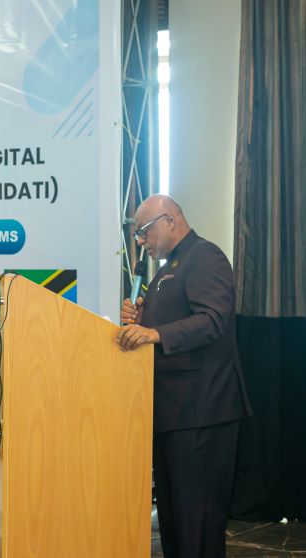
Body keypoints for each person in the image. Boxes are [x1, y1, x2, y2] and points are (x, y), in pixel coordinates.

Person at [116, 194, 251, 558]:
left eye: (143, 232)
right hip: (174, 413)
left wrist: (154, 333)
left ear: (170, 219)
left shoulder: (205, 256)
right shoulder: (167, 268)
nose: (141, 242)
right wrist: (142, 320)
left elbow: (212, 320)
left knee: (199, 522)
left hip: (203, 412)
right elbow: (174, 323)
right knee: (176, 522)